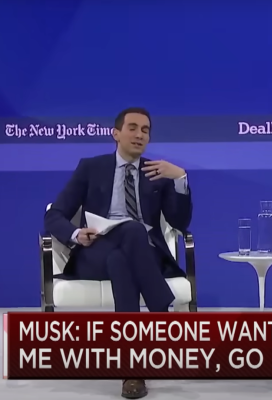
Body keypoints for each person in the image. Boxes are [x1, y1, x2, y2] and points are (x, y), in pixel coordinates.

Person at [44, 107, 192, 399]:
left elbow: (179, 223)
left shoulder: (157, 173)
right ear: (116, 133)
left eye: (145, 130)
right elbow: (54, 215)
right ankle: (161, 308)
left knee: (123, 256)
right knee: (131, 232)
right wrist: (76, 234)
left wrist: (180, 179)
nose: (139, 135)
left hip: (142, 254)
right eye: (132, 128)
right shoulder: (91, 167)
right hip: (94, 251)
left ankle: (132, 372)